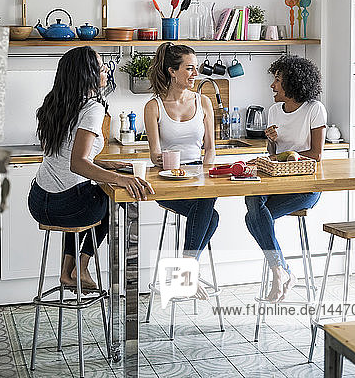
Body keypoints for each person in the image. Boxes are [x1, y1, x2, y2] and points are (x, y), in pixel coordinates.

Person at [28, 46, 154, 291]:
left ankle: (67, 272)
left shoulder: (54, 103)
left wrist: (104, 164)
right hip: (66, 206)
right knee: (113, 200)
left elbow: (64, 156)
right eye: (99, 66)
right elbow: (77, 163)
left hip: (38, 200)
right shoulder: (92, 108)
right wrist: (120, 179)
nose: (105, 70)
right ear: (86, 74)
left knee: (85, 196)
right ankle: (81, 267)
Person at [245, 54, 327, 303]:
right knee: (253, 199)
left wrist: (282, 155)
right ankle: (281, 271)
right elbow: (272, 157)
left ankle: (281, 273)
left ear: (292, 82)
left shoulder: (314, 109)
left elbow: (316, 154)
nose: (272, 85)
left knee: (254, 218)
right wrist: (270, 142)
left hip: (305, 188)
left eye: (277, 80)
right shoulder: (273, 110)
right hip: (276, 183)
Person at [144, 43, 218, 296]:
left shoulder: (204, 102)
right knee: (209, 213)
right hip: (169, 180)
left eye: (195, 68)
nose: (195, 73)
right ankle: (188, 273)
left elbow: (210, 149)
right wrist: (164, 160)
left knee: (206, 203)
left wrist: (205, 175)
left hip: (199, 176)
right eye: (189, 68)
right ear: (172, 71)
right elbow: (154, 153)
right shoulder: (153, 106)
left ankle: (186, 273)